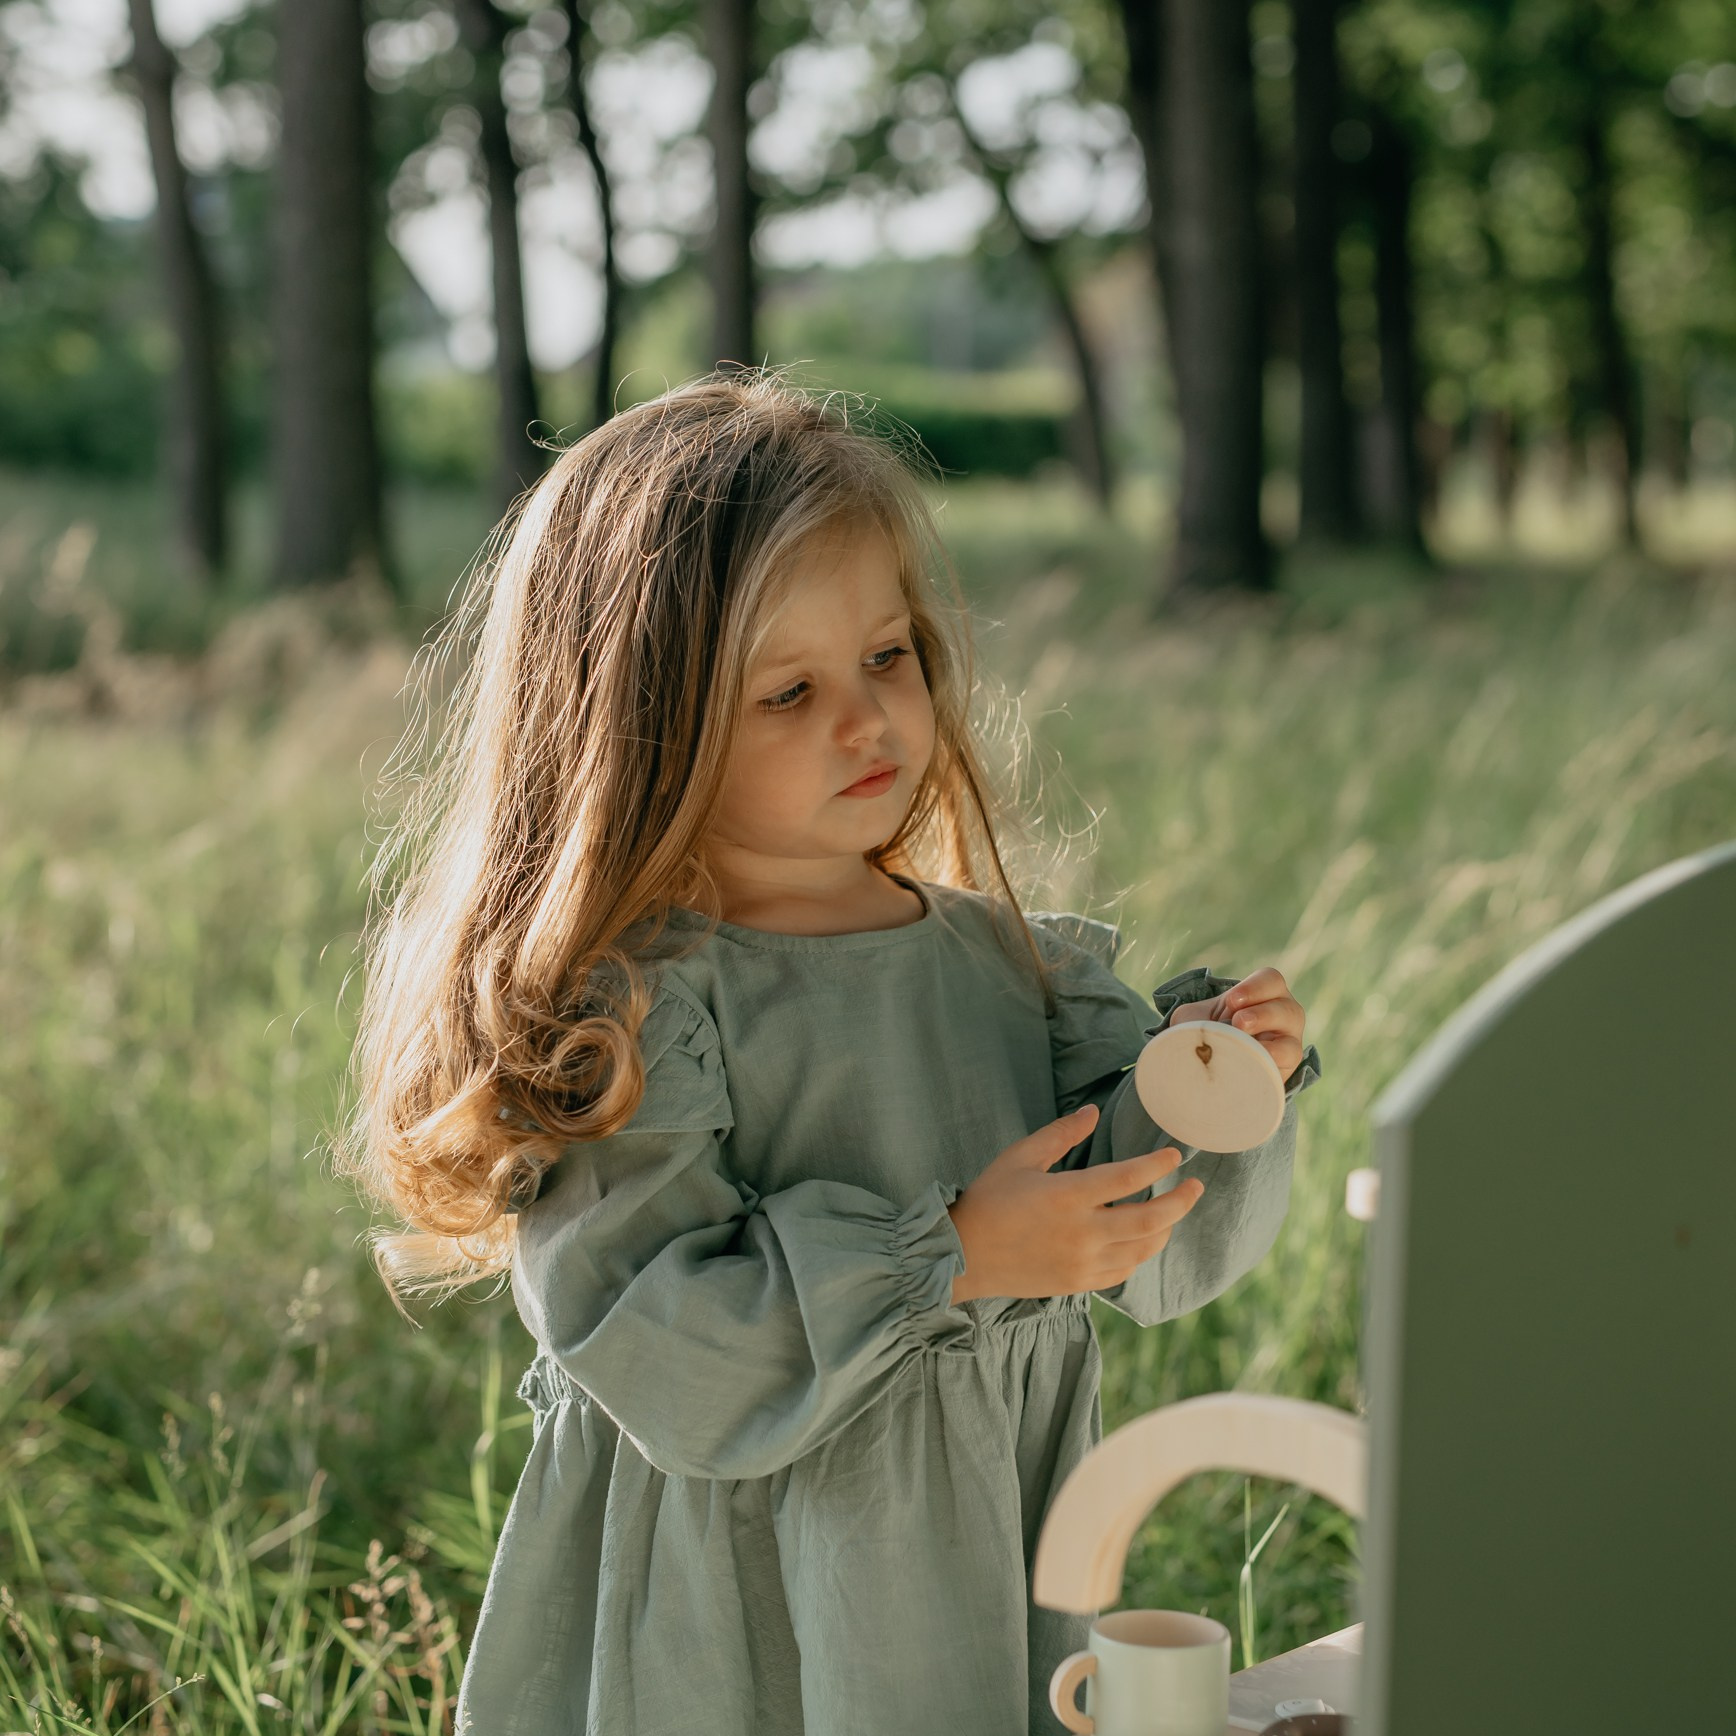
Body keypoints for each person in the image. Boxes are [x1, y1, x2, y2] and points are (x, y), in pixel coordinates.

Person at [334, 370, 1322, 1736]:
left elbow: (1149, 1244)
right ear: (637, 734)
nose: (864, 721)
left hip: (979, 1560)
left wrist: (1216, 1084)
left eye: (888, 657)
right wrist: (952, 1257)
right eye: (787, 692)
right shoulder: (637, 1015)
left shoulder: (1013, 972)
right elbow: (657, 1339)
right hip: (737, 1605)